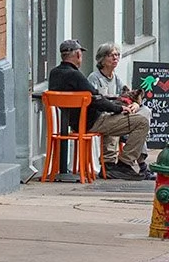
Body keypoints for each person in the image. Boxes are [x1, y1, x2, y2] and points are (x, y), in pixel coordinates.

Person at [47, 39, 129, 182]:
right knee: (135, 121)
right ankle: (120, 164)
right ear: (78, 55)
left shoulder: (54, 73)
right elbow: (97, 98)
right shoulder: (76, 75)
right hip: (86, 123)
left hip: (66, 125)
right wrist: (119, 108)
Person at [91, 43, 152, 175]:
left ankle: (136, 155)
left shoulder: (116, 79)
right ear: (101, 59)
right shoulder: (95, 78)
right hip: (103, 117)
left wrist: (136, 104)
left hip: (120, 113)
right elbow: (95, 102)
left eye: (117, 55)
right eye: (111, 55)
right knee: (139, 123)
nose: (115, 58)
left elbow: (128, 94)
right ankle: (137, 163)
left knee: (145, 112)